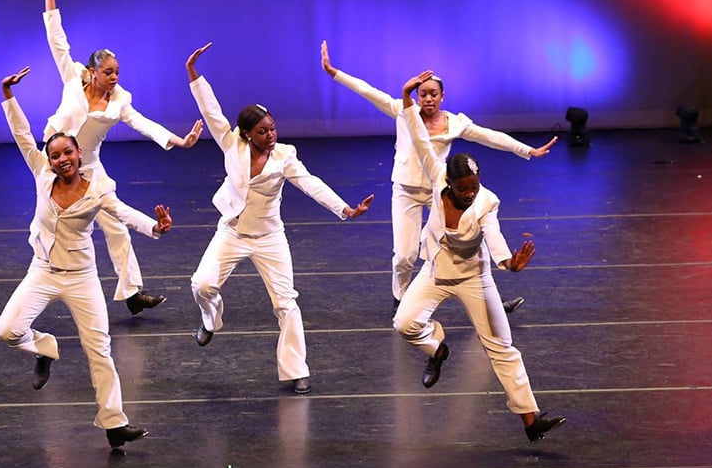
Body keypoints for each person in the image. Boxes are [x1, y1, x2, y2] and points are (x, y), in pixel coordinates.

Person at [0, 66, 171, 448]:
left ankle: (114, 423)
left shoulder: (96, 191)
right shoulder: (42, 174)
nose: (61, 160)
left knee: (100, 350)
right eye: (55, 155)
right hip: (42, 271)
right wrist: (9, 97)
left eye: (67, 153)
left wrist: (155, 228)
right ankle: (44, 348)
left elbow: (123, 212)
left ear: (79, 154)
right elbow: (23, 135)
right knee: (8, 331)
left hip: (80, 277)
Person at [186, 43, 375, 395]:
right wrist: (194, 74)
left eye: (273, 129)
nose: (271, 135)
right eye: (263, 132)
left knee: (285, 302)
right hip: (232, 232)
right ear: (246, 134)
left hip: (270, 237)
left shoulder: (285, 155)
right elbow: (211, 111)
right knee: (202, 285)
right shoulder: (231, 144)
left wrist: (345, 209)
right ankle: (211, 320)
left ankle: (295, 369)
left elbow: (310, 184)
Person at [320, 41, 556, 315]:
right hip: (406, 191)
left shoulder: (454, 122)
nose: (428, 99)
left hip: (441, 191)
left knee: (470, 244)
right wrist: (333, 71)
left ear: (442, 96)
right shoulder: (402, 111)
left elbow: (490, 136)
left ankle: (491, 302)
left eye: (433, 94)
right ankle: (402, 300)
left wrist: (527, 150)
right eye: (423, 94)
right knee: (405, 256)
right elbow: (367, 91)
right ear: (416, 96)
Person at [393, 70, 565, 442]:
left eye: (474, 186)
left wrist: (507, 264)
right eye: (464, 188)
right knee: (404, 324)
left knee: (501, 347)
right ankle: (437, 349)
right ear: (450, 183)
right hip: (436, 271)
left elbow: (494, 235)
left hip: (474, 276)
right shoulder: (437, 175)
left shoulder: (487, 202)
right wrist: (406, 96)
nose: (470, 193)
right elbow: (418, 135)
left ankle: (531, 419)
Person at [42, 0, 204, 316]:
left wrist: (179, 140)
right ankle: (45, 282)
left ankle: (132, 292)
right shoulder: (73, 79)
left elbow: (143, 123)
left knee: (115, 223)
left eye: (117, 72)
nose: (114, 77)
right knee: (48, 221)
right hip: (55, 160)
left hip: (89, 165)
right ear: (93, 72)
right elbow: (59, 43)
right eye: (108, 72)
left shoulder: (120, 100)